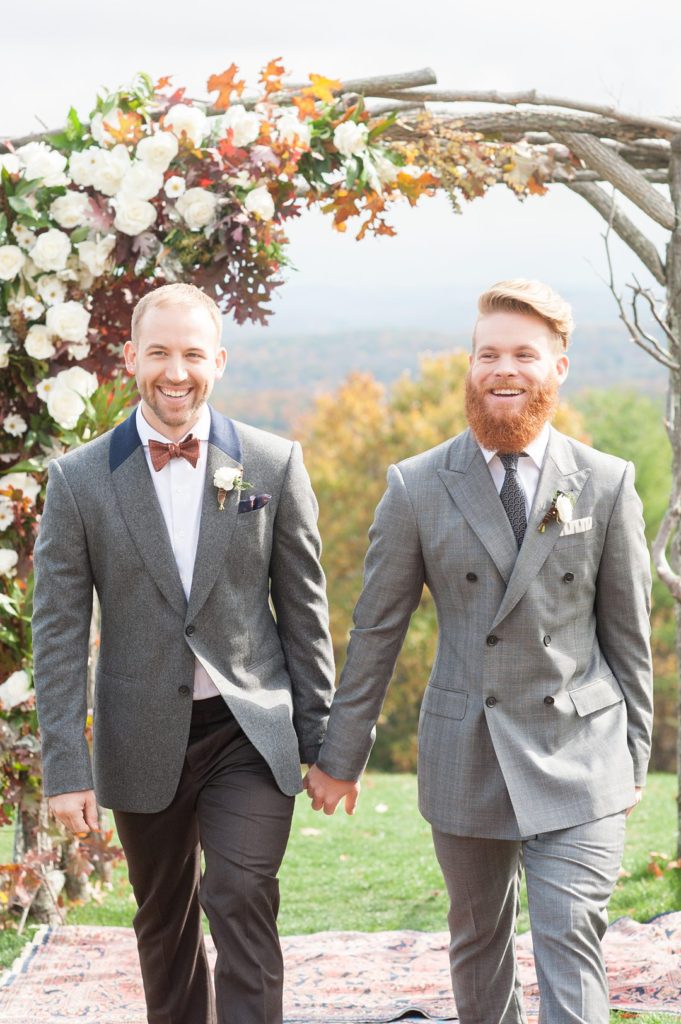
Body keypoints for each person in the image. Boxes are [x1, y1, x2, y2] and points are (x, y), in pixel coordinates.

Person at [304, 279, 653, 1024]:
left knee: (568, 935)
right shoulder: (416, 486)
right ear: (469, 366)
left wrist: (633, 752)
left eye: (523, 354)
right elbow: (376, 631)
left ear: (558, 367)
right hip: (467, 749)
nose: (503, 368)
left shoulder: (606, 482)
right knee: (478, 938)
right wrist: (340, 754)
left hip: (581, 750)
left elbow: (628, 639)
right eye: (486, 353)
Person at [32, 283, 335, 1024]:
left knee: (239, 895)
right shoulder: (78, 481)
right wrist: (65, 767)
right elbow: (60, 630)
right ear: (131, 357)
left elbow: (304, 612)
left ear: (219, 362)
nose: (176, 372)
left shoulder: (272, 462)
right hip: (140, 736)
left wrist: (323, 741)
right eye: (159, 352)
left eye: (193, 354)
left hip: (249, 731)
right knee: (164, 919)